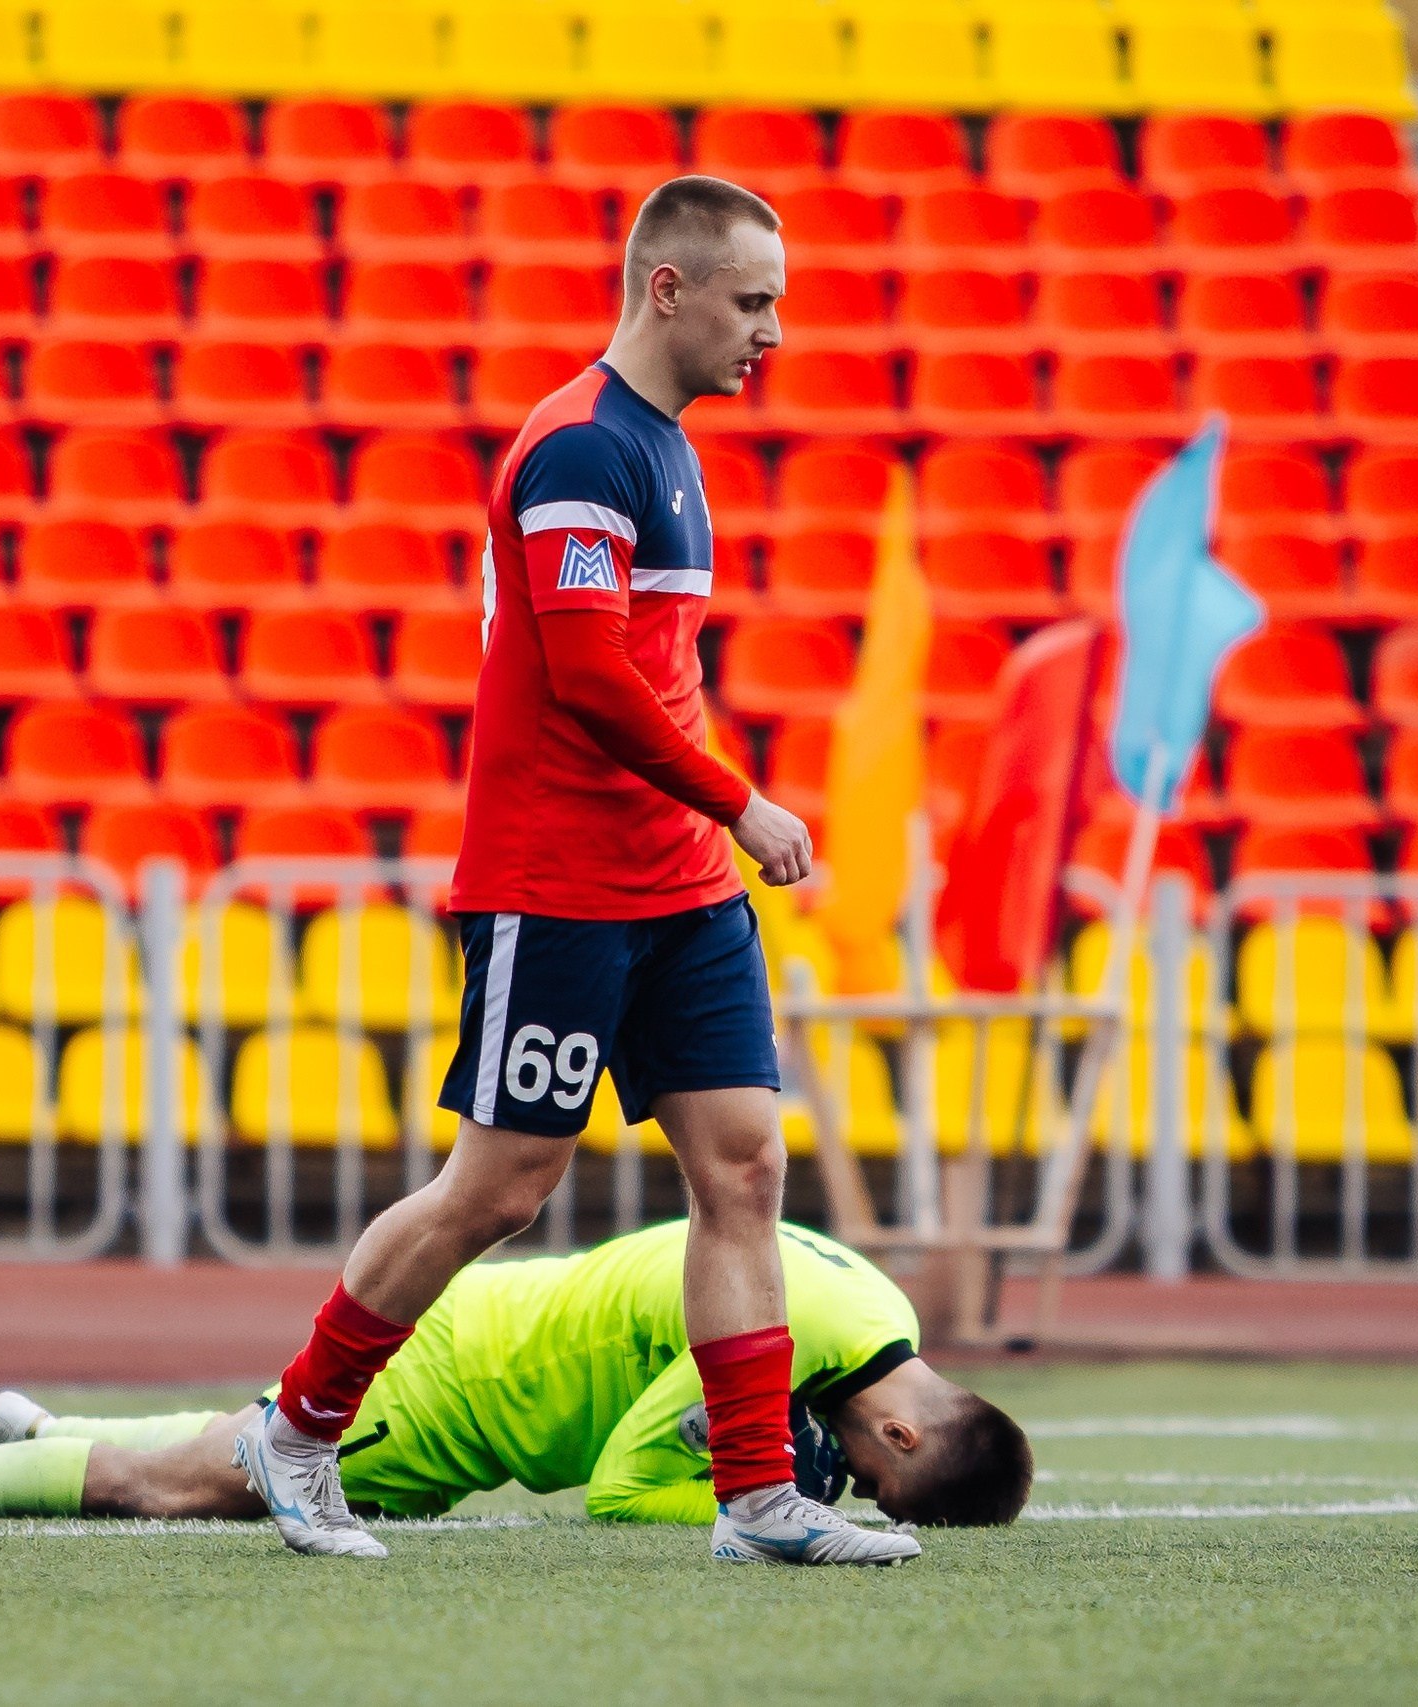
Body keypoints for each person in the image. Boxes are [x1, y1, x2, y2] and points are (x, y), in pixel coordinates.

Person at [231, 175, 908, 1566]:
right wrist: (742, 803)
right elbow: (593, 676)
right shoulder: (580, 449)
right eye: (755, 299)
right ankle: (298, 1428)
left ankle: (756, 1497)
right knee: (500, 1186)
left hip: (681, 890)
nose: (774, 331)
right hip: (561, 884)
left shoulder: (666, 445)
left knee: (745, 1168)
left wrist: (709, 833)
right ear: (670, 288)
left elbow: (653, 670)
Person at [0, 1221, 1032, 1546]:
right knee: (175, 1492)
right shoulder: (793, 1344)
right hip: (462, 1386)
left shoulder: (882, 1316)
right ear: (904, 1431)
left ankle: (48, 1428)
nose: (853, 1486)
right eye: (878, 1486)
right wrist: (781, 1512)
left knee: (216, 1452)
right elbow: (627, 1491)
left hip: (483, 1343)